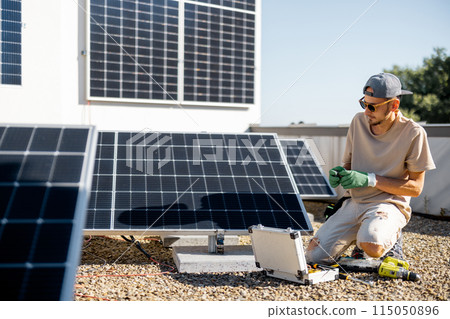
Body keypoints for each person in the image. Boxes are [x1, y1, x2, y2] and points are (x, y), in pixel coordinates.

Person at [305, 73, 436, 264]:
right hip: (354, 201)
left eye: (373, 106)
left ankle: (389, 237)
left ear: (394, 105)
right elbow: (348, 166)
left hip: (388, 204)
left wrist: (371, 179)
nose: (367, 111)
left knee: (372, 245)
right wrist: (340, 173)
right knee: (313, 257)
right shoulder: (358, 122)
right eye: (363, 104)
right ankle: (365, 232)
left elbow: (416, 188)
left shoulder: (414, 133)